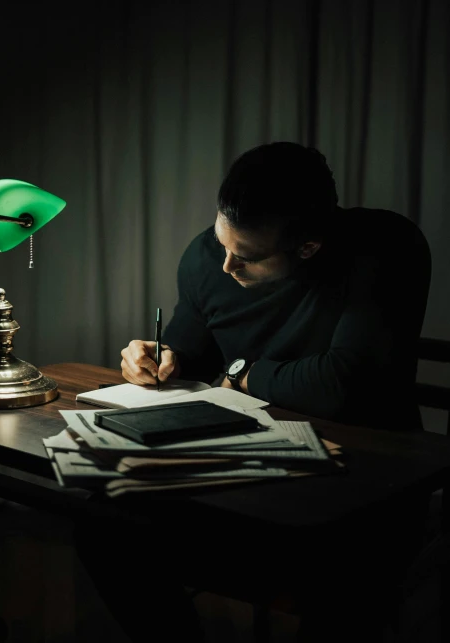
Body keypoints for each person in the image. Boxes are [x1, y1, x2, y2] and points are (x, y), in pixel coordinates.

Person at [75, 141, 431, 643]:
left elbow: (343, 385)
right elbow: (191, 349)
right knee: (101, 521)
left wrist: (240, 372)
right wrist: (158, 357)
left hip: (361, 479)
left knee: (347, 584)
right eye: (222, 242)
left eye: (244, 256)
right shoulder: (209, 255)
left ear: (308, 247)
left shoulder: (385, 246)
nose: (224, 266)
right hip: (243, 470)